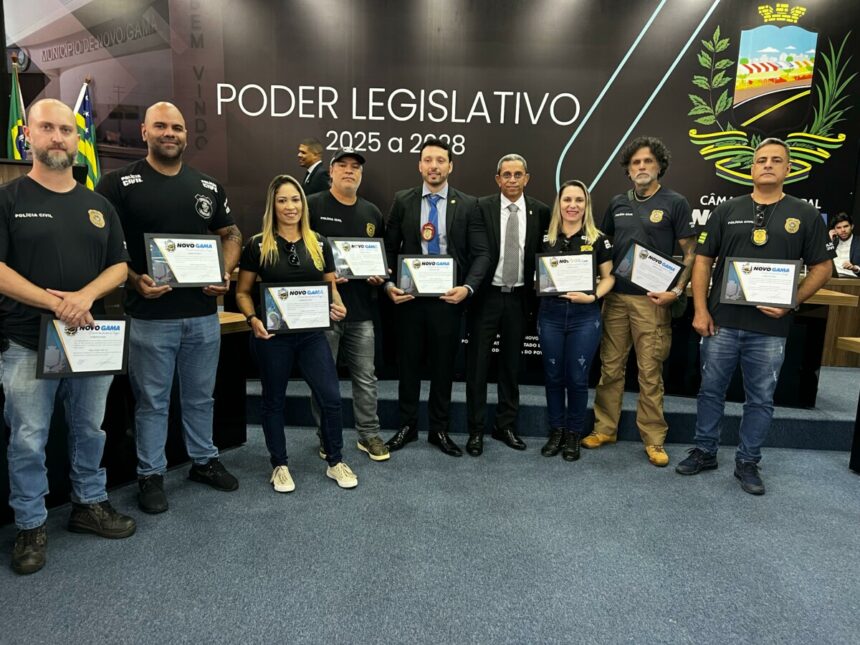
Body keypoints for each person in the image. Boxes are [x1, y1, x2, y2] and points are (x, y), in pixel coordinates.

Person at [0, 99, 135, 575]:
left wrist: (82, 296)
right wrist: (56, 302)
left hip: (87, 339)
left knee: (89, 429)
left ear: (77, 140)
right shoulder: (9, 200)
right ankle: (31, 525)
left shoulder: (98, 205)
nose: (58, 137)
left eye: (66, 130)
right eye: (48, 128)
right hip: (26, 342)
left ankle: (88, 504)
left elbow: (120, 266)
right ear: (27, 135)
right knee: (29, 438)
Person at [96, 102, 243, 514]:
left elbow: (231, 234)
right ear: (144, 131)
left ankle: (204, 460)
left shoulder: (208, 187)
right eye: (160, 126)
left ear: (185, 135)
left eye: (177, 127)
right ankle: (151, 474)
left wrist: (225, 270)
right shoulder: (117, 184)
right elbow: (105, 246)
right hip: (149, 317)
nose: (170, 133)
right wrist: (133, 279)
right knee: (152, 401)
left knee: (200, 396)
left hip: (201, 315)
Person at [677, 138, 835, 494]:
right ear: (751, 168)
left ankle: (748, 461)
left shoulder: (805, 215)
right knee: (710, 390)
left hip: (770, 327)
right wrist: (700, 309)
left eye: (776, 160)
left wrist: (792, 300)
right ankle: (705, 451)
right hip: (720, 323)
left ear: (788, 169)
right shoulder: (726, 210)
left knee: (761, 398)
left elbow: (823, 267)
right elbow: (703, 261)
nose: (767, 165)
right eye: (761, 159)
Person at [235, 174, 357, 490]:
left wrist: (338, 305)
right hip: (272, 337)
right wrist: (252, 319)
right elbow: (243, 292)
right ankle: (280, 465)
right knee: (273, 400)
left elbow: (331, 287)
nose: (291, 207)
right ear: (272, 206)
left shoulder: (318, 242)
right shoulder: (258, 244)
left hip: (313, 335)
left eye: (295, 200)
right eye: (283, 200)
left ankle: (336, 460)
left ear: (303, 203)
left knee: (330, 397)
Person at [584, 136, 696, 466]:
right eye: (636, 163)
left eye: (648, 161)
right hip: (617, 299)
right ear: (628, 169)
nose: (642, 167)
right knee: (610, 368)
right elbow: (602, 248)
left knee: (650, 372)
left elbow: (691, 254)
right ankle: (605, 428)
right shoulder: (617, 202)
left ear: (659, 165)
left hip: (652, 302)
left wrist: (675, 291)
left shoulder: (675, 202)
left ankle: (654, 438)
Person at [384, 138, 491, 457]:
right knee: (409, 366)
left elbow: (482, 254)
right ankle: (407, 426)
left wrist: (467, 288)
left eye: (440, 160)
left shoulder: (468, 204)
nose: (434, 166)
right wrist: (389, 283)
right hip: (409, 300)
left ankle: (439, 429)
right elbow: (389, 248)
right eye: (428, 160)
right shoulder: (403, 200)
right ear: (419, 165)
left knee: (444, 367)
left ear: (450, 166)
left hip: (448, 299)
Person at [307, 148, 390, 462]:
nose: (349, 171)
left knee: (366, 377)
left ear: (361, 175)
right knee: (323, 378)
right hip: (322, 310)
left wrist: (378, 276)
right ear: (331, 171)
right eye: (342, 165)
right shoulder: (312, 206)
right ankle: (327, 436)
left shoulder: (372, 213)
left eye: (355, 167)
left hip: (361, 311)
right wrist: (324, 277)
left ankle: (369, 435)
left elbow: (378, 260)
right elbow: (300, 252)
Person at [465, 154, 549, 456]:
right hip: (486, 296)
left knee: (512, 366)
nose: (512, 180)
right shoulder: (481, 207)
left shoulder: (540, 211)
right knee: (477, 366)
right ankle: (475, 430)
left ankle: (505, 425)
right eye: (506, 175)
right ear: (497, 179)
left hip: (519, 297)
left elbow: (544, 255)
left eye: (518, 175)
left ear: (527, 177)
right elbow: (474, 251)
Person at [538, 180, 615, 461]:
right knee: (553, 376)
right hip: (551, 315)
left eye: (579, 200)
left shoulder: (598, 238)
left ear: (587, 205)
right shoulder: (545, 237)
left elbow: (609, 278)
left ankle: (574, 433)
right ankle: (556, 430)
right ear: (559, 204)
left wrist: (593, 297)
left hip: (585, 316)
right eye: (567, 200)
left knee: (578, 378)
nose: (573, 205)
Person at [829, 213, 859, 277]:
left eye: (846, 226)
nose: (843, 230)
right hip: (831, 278)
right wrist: (829, 241)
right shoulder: (832, 243)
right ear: (834, 230)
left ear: (852, 226)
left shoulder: (858, 242)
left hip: (852, 280)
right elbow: (821, 261)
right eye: (839, 228)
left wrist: (855, 268)